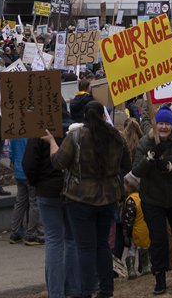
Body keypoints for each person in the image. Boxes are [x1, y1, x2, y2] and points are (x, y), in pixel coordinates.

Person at [47, 100, 132, 298]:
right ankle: (106, 290)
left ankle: (86, 291)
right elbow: (127, 165)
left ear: (84, 117)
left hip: (80, 198)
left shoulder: (76, 137)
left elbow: (58, 162)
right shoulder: (116, 137)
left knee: (85, 248)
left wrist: (51, 142)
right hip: (108, 197)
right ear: (103, 116)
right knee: (103, 245)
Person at [133, 107, 172, 295]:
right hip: (153, 200)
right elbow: (136, 171)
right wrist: (150, 157)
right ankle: (160, 277)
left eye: (167, 123)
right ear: (155, 124)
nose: (164, 127)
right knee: (158, 240)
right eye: (160, 123)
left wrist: (170, 168)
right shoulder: (145, 143)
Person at [23, 127, 82, 298]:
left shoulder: (40, 132)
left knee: (54, 240)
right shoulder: (76, 130)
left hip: (47, 191)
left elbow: (28, 164)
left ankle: (56, 292)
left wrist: (37, 183)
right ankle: (74, 288)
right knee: (71, 239)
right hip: (72, 191)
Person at [8, 137, 42, 244]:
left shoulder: (14, 135)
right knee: (34, 202)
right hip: (30, 172)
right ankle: (31, 233)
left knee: (20, 202)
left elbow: (11, 153)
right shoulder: (32, 136)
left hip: (19, 171)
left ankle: (16, 232)